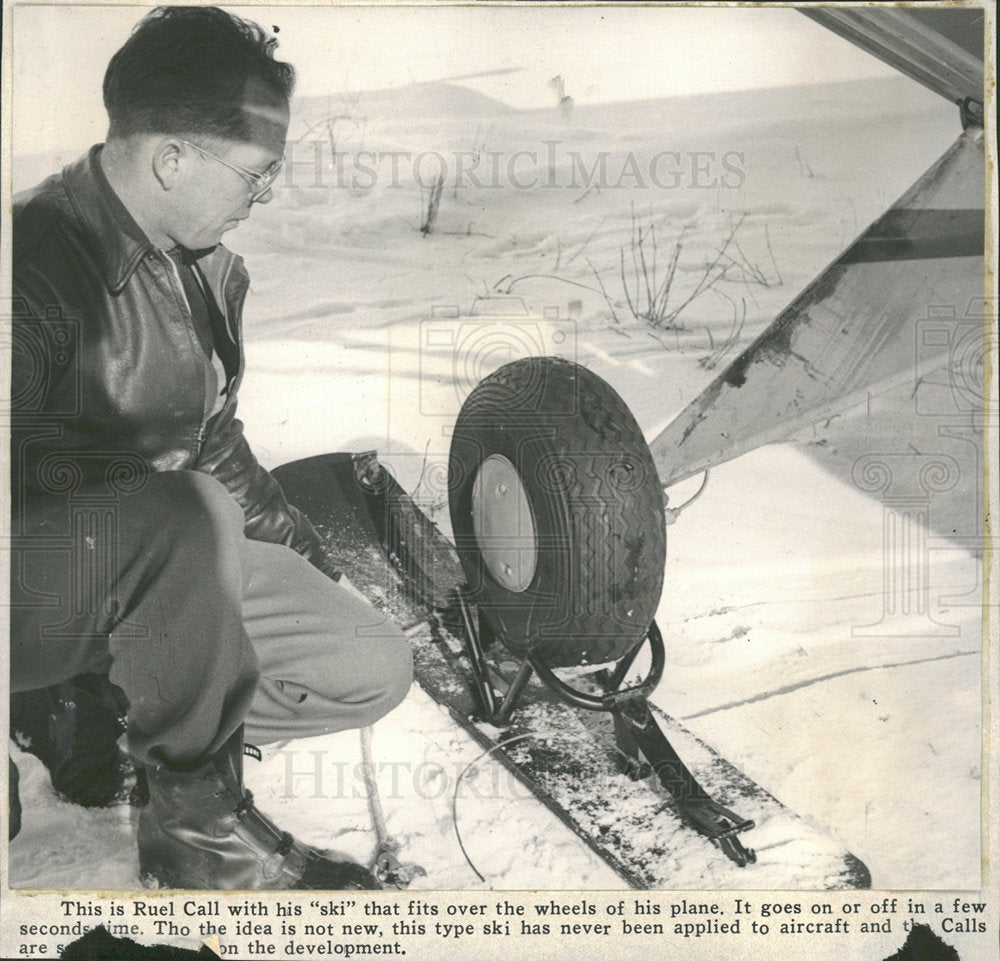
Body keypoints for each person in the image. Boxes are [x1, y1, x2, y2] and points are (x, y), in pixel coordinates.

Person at [9, 5, 412, 890]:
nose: (261, 200)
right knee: (181, 517)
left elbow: (213, 438)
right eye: (256, 177)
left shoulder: (207, 267)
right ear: (171, 158)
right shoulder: (25, 267)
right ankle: (197, 829)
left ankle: (124, 708)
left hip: (160, 571)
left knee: (368, 662)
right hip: (29, 590)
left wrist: (310, 562)